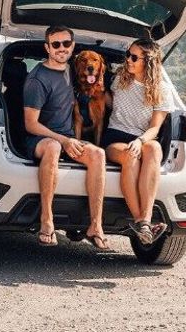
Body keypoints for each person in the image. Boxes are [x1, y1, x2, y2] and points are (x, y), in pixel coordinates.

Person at [23, 25, 112, 250]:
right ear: (47, 47)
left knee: (98, 154)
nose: (61, 48)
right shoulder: (37, 79)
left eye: (66, 44)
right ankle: (46, 220)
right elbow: (31, 124)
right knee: (53, 147)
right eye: (55, 44)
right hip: (39, 139)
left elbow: (94, 77)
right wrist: (64, 140)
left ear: (73, 47)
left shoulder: (74, 70)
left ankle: (95, 226)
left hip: (69, 139)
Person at [102, 38, 181, 245]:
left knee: (154, 148)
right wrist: (99, 91)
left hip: (142, 137)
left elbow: (155, 128)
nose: (128, 59)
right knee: (130, 156)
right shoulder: (120, 78)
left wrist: (139, 140)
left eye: (134, 57)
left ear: (149, 61)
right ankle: (141, 222)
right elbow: (111, 105)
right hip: (115, 137)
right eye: (128, 54)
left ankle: (144, 221)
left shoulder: (162, 90)